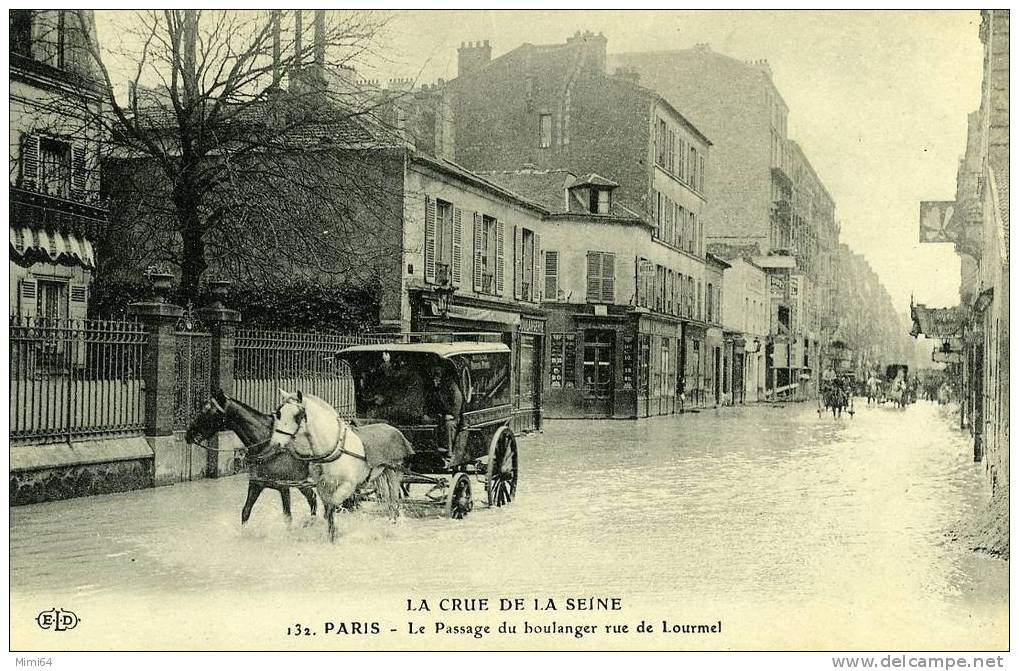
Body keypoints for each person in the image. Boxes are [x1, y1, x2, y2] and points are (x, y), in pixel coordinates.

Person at [423, 362, 464, 466]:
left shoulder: (450, 383)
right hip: (438, 414)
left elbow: (458, 399)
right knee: (424, 421)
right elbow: (429, 401)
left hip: (451, 416)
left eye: (438, 370)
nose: (436, 373)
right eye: (434, 370)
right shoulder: (432, 385)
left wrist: (453, 415)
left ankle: (449, 454)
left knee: (449, 425)